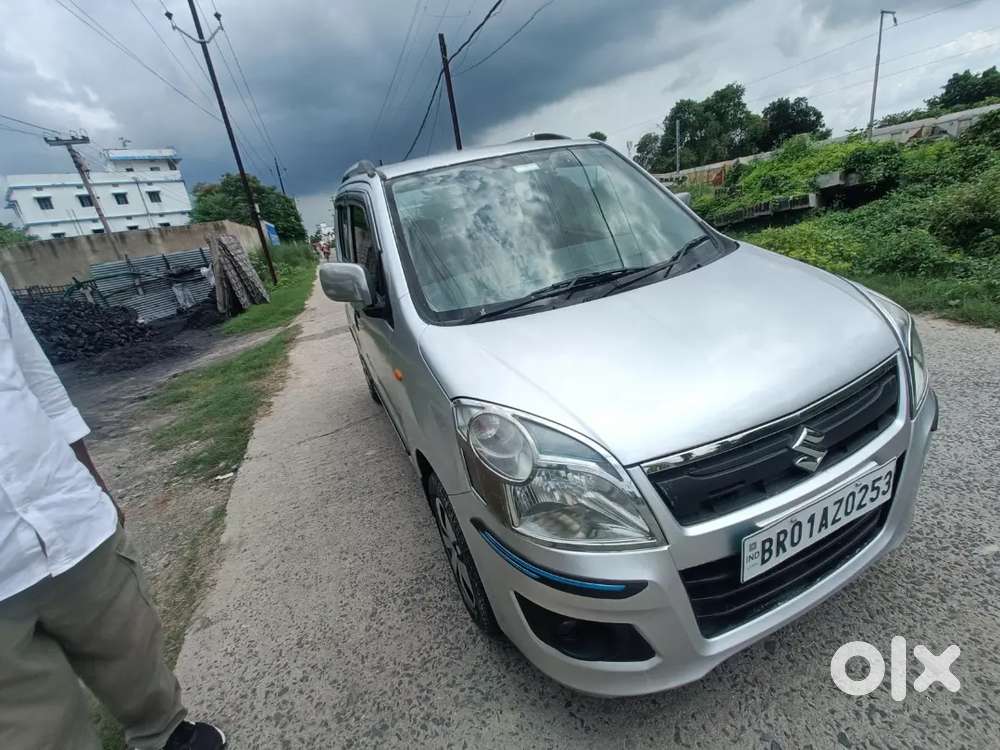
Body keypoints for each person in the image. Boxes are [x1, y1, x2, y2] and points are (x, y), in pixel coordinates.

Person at [0, 273, 226, 750]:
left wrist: (90, 482)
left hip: (69, 515)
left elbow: (35, 377)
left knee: (134, 651)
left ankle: (165, 737)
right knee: (34, 731)